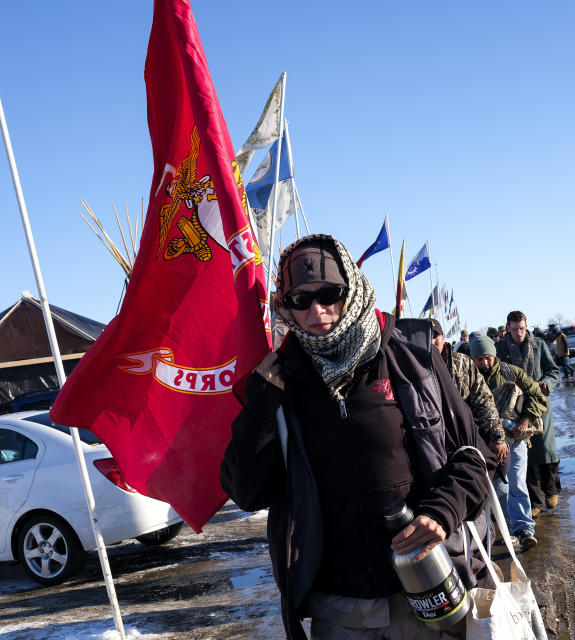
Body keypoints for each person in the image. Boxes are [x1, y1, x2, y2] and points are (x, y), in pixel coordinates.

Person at [220, 235, 492, 640]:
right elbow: (246, 492)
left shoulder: (408, 355)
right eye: (300, 299)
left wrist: (440, 512)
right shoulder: (280, 378)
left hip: (427, 592)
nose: (317, 310)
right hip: (340, 610)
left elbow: (473, 455)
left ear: (353, 289)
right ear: (284, 305)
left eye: (330, 293)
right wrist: (259, 408)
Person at [470, 335, 546, 551]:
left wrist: (526, 419)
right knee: (500, 487)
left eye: (487, 358)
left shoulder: (511, 372)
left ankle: (524, 530)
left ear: (493, 355)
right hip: (489, 442)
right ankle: (509, 528)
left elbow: (537, 397)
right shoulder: (470, 377)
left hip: (516, 439)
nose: (484, 363)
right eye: (479, 359)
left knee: (517, 482)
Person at [496, 310, 562, 511]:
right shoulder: (500, 349)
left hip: (539, 402)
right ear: (508, 328)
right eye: (514, 329)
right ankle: (534, 501)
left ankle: (551, 490)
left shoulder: (539, 345)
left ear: (527, 326)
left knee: (545, 449)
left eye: (522, 329)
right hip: (512, 406)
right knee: (522, 451)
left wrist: (545, 383)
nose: (519, 333)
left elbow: (553, 371)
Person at [431, 319, 508, 464]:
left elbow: (483, 400)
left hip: (469, 436)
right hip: (436, 444)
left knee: (498, 472)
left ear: (443, 337)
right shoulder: (416, 369)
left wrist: (496, 437)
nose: (432, 341)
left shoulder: (462, 363)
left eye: (435, 337)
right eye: (427, 337)